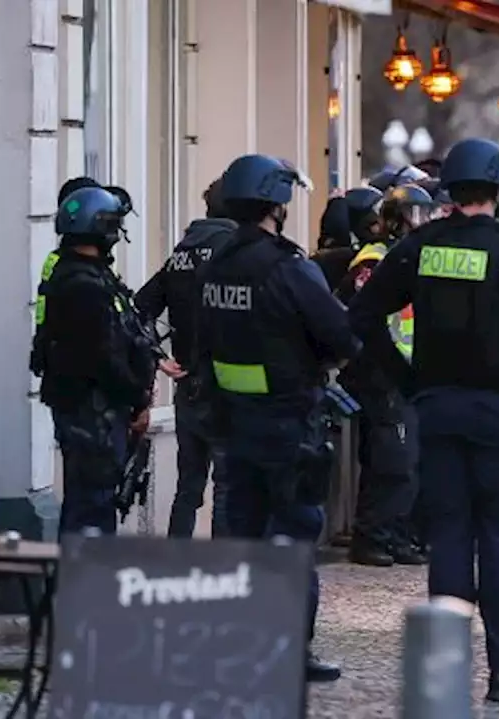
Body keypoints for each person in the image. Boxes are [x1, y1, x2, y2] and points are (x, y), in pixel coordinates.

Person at [348, 137, 499, 705]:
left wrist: (405, 378)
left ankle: (446, 669)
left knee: (448, 533)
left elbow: (363, 316)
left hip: (437, 408)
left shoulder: (420, 247)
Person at [195, 153, 355, 683]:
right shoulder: (288, 267)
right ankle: (289, 648)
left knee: (240, 537)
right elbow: (341, 335)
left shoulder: (216, 264)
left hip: (233, 424)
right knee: (290, 539)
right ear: (275, 204)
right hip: (288, 424)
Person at [32, 185, 156, 536]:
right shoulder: (84, 284)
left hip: (96, 413)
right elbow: (103, 355)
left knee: (93, 505)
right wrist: (138, 397)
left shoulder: (86, 275)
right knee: (92, 509)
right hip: (93, 415)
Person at [135, 179, 236, 538]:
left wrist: (158, 355)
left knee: (188, 486)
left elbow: (139, 308)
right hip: (225, 386)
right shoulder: (231, 249)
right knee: (228, 487)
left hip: (187, 384)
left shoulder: (181, 253)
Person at [341, 240, 427, 568]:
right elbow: (366, 320)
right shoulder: (376, 261)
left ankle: (397, 534)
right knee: (393, 461)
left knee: (407, 461)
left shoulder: (409, 257)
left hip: (405, 378)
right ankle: (374, 536)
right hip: (383, 377)